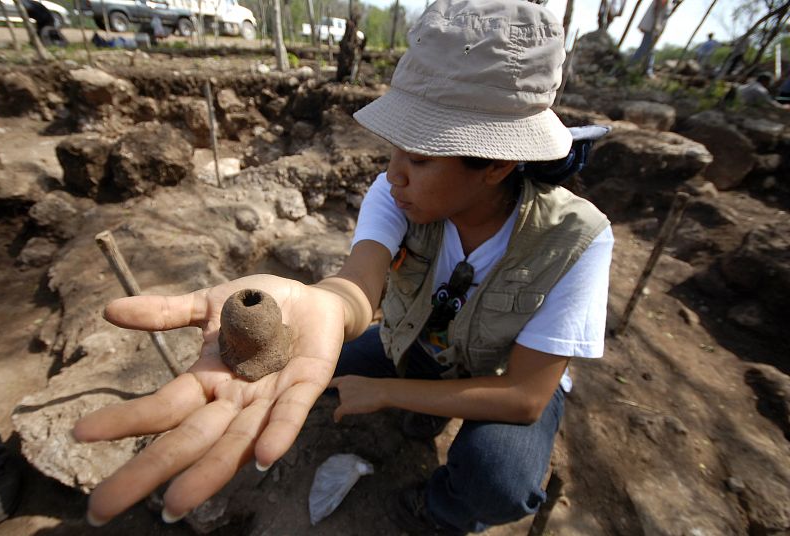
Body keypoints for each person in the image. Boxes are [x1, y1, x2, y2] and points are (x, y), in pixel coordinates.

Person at [71, 0, 614, 533]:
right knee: (306, 369)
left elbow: (523, 397)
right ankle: (424, 404)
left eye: (419, 158)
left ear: (496, 164)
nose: (393, 174)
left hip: (501, 377)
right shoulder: (397, 194)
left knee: (499, 481)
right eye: (393, 150)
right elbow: (358, 287)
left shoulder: (577, 240)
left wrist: (384, 392)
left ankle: (442, 506)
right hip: (411, 341)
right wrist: (326, 304)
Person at [629, 0, 673, 76]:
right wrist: (656, 25)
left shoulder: (670, 3)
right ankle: (635, 66)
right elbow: (657, 10)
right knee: (646, 48)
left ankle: (645, 69)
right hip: (652, 27)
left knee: (649, 48)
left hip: (655, 27)